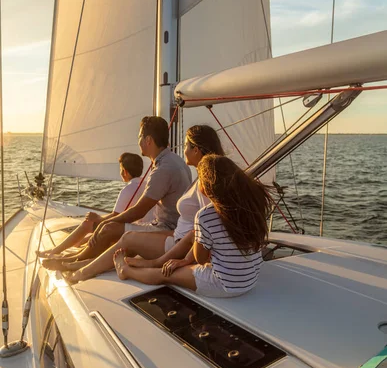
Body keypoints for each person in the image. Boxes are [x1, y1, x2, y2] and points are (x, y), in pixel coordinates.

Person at [75, 155, 271, 298]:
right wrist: (188, 258)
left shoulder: (206, 215)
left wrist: (185, 261)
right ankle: (155, 261)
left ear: (206, 186)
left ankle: (126, 271)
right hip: (249, 280)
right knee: (189, 246)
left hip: (223, 284)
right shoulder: (252, 205)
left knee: (166, 275)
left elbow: (201, 259)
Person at [55, 125, 225, 280]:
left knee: (119, 233)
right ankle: (83, 262)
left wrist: (172, 260)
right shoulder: (187, 167)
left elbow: (203, 227)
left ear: (196, 150)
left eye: (187, 145)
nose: (184, 148)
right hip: (177, 234)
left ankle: (82, 270)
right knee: (123, 235)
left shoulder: (190, 176)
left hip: (179, 241)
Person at [43, 115, 191, 269]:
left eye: (140, 136)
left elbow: (138, 211)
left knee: (109, 228)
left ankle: (75, 261)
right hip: (171, 227)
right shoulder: (175, 161)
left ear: (148, 140)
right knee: (110, 227)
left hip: (166, 231)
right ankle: (79, 257)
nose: (138, 141)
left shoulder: (163, 168)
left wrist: (105, 222)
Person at [38, 152, 153, 259]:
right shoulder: (147, 185)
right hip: (144, 229)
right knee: (87, 238)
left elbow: (115, 216)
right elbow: (120, 215)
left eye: (121, 169)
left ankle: (55, 251)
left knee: (88, 224)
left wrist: (97, 218)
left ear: (125, 172)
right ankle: (73, 247)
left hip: (131, 232)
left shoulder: (128, 190)